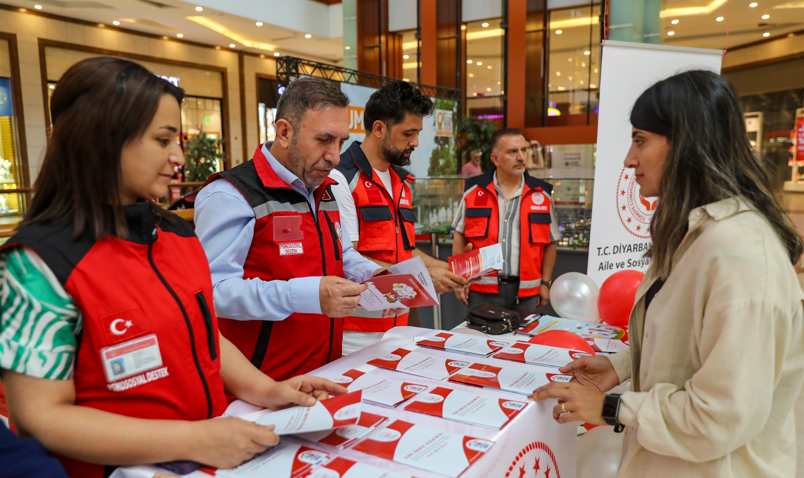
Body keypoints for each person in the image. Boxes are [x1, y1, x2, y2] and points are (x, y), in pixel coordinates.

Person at [0, 57, 345, 478]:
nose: (178, 156)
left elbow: (204, 334)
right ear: (103, 140)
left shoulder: (175, 236)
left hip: (209, 456)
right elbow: (41, 417)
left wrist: (267, 389)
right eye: (163, 141)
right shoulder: (35, 264)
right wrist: (197, 439)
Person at [531, 70, 804, 478]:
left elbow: (720, 415)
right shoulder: (696, 232)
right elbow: (698, 347)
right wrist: (624, 365)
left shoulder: (741, 255)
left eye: (640, 140)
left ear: (684, 144)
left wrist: (613, 408)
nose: (629, 159)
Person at [195, 77, 383, 380]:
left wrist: (374, 276)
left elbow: (341, 252)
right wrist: (306, 295)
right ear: (284, 132)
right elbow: (213, 292)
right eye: (324, 140)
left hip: (324, 370)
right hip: (261, 383)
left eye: (341, 142)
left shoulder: (325, 186)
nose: (335, 157)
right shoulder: (232, 195)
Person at [330, 81, 469, 355]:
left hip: (399, 322)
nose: (415, 142)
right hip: (356, 331)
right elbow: (347, 258)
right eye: (408, 133)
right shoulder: (340, 178)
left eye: (417, 133)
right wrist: (424, 278)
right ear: (379, 128)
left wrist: (448, 269)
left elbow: (406, 250)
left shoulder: (401, 181)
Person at [452, 128, 561, 312]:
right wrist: (459, 281)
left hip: (526, 293)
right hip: (481, 290)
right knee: (480, 340)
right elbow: (460, 237)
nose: (521, 157)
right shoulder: (473, 191)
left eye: (523, 150)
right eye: (512, 152)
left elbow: (550, 243)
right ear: (495, 159)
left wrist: (545, 283)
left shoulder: (541, 195)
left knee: (523, 340)